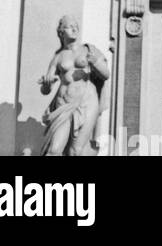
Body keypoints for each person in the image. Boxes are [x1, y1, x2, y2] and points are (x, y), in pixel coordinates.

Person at [39, 15, 110, 157]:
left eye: (75, 25)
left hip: (87, 101)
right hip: (63, 104)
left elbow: (106, 74)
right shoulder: (58, 57)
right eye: (69, 26)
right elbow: (45, 90)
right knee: (54, 150)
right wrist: (47, 84)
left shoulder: (89, 50)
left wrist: (95, 62)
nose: (74, 28)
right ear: (61, 32)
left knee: (76, 151)